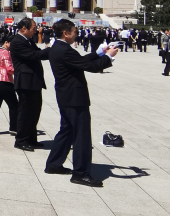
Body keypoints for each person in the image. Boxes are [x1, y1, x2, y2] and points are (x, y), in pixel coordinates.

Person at [44, 19, 117, 187]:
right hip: (75, 98)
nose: (76, 34)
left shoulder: (57, 47)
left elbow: (80, 61)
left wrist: (99, 53)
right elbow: (89, 67)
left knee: (66, 131)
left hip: (65, 95)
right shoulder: (65, 50)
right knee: (81, 135)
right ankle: (80, 173)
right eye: (74, 31)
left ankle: (53, 164)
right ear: (66, 33)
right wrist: (109, 57)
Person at [10, 18, 51, 151]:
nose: (35, 31)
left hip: (34, 81)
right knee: (25, 112)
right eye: (33, 28)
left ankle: (31, 139)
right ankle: (21, 140)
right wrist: (51, 50)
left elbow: (37, 52)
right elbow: (33, 55)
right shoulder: (17, 41)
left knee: (35, 111)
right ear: (24, 28)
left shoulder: (28, 40)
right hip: (25, 82)